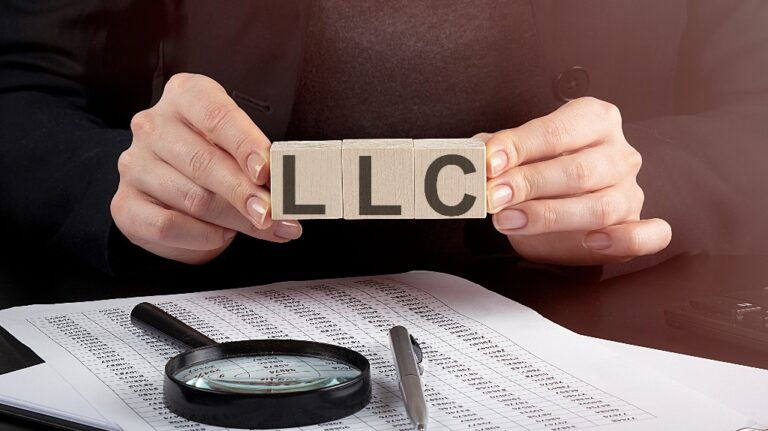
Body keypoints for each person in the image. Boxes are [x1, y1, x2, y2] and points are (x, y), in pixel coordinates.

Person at [0, 1, 765, 281]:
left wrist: (633, 183)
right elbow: (19, 87)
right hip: (198, 318)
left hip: (591, 329)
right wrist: (123, 184)